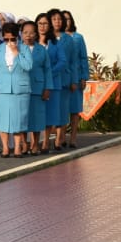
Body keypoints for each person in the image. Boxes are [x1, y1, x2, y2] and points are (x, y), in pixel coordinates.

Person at [0, 22, 33, 158]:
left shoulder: (24, 49)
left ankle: (18, 147)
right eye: (6, 39)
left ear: (17, 37)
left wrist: (16, 53)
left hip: (20, 90)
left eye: (12, 39)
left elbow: (28, 66)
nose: (9, 42)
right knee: (3, 119)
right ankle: (6, 147)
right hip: (2, 89)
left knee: (18, 119)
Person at [22, 19, 54, 154]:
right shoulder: (17, 48)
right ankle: (24, 144)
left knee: (36, 117)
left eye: (31, 33)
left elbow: (48, 69)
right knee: (23, 117)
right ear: (21, 34)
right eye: (25, 32)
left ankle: (35, 144)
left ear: (36, 34)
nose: (28, 35)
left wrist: (47, 88)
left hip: (37, 88)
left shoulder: (41, 50)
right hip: (21, 88)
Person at [45, 9, 75, 152]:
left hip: (64, 78)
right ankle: (48, 138)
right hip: (48, 80)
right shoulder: (46, 38)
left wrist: (75, 79)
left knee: (62, 110)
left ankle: (59, 139)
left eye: (59, 19)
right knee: (50, 109)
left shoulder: (69, 38)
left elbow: (73, 60)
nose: (57, 22)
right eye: (54, 19)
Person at [62, 10, 89, 148]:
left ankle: (73, 138)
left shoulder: (78, 37)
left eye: (68, 19)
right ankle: (61, 137)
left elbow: (83, 58)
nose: (66, 22)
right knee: (62, 109)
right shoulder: (57, 37)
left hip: (76, 76)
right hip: (62, 77)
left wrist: (84, 77)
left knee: (74, 109)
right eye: (63, 19)